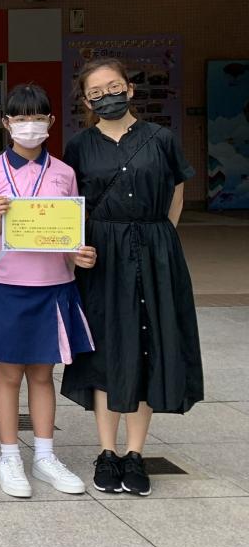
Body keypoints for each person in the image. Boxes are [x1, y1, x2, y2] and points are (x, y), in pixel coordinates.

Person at [60, 58, 202, 496]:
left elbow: (177, 194)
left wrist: (160, 241)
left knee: (148, 345)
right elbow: (71, 205)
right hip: (102, 256)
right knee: (107, 348)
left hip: (156, 251)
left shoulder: (161, 138)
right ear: (86, 102)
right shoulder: (79, 146)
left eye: (113, 87)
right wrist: (76, 251)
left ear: (130, 89)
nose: (107, 96)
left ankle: (135, 453)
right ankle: (107, 452)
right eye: (96, 93)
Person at [0, 85, 97, 498]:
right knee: (8, 375)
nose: (30, 125)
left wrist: (79, 254)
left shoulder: (63, 172)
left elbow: (69, 232)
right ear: (6, 123)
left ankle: (45, 456)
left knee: (43, 374)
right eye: (21, 118)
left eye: (38, 117)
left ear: (50, 122)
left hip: (53, 284)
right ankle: (9, 456)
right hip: (6, 284)